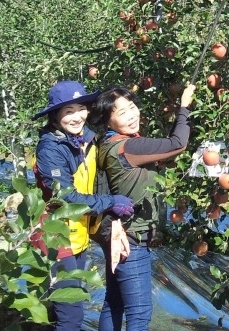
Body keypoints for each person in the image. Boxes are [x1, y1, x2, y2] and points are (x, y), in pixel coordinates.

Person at [87, 82, 196, 331]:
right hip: (131, 240)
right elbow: (177, 143)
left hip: (116, 235)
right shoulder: (129, 147)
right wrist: (184, 107)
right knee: (139, 315)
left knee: (114, 303)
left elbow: (164, 151)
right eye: (122, 112)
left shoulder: (109, 143)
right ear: (108, 120)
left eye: (132, 106)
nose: (132, 114)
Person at [33, 80, 136, 331]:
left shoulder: (86, 140)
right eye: (68, 111)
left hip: (76, 234)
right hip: (55, 236)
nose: (77, 116)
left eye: (81, 108)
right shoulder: (51, 149)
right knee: (70, 315)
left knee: (71, 305)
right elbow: (65, 198)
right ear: (55, 116)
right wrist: (110, 202)